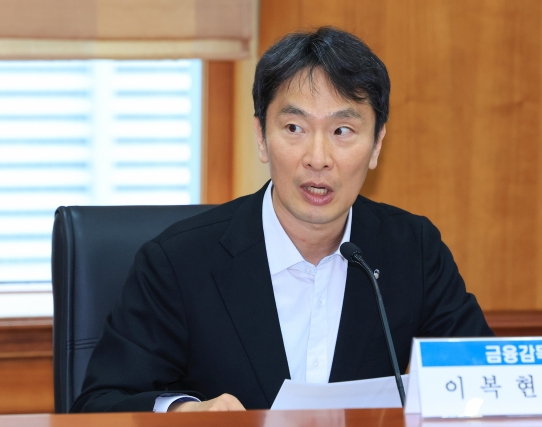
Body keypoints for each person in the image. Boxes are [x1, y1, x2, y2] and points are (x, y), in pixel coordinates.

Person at [70, 26, 492, 414]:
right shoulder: (178, 262)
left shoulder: (413, 251)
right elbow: (100, 405)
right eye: (294, 127)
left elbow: (485, 385)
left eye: (342, 131)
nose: (318, 158)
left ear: (377, 143)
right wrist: (183, 414)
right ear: (261, 137)